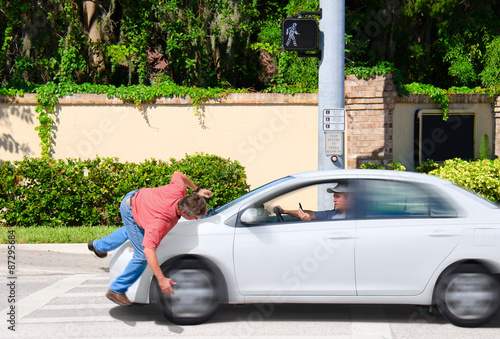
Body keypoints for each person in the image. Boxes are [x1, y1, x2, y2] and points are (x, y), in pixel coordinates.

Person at [88, 171, 212, 306]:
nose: (196, 219)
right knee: (141, 254)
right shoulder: (160, 222)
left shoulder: (179, 190)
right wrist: (161, 279)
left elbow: (178, 174)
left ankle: (98, 246)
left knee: (131, 231)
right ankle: (116, 290)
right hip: (131, 208)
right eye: (194, 216)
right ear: (183, 212)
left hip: (138, 198)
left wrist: (198, 190)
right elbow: (148, 251)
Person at [276, 182, 349, 221]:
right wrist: (284, 211)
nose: (334, 200)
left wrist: (309, 222)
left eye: (337, 197)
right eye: (334, 196)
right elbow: (310, 214)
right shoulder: (332, 214)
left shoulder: (354, 218)